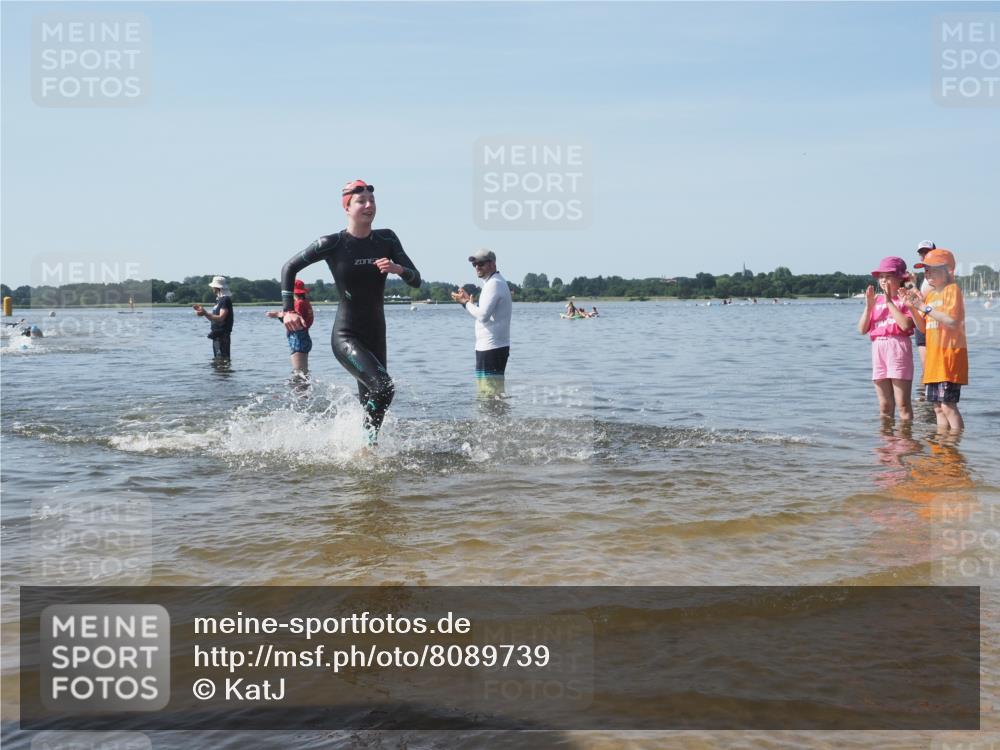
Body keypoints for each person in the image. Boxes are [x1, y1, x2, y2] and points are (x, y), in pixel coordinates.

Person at [279, 180, 421, 443]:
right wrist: (288, 310)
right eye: (361, 201)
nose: (369, 206)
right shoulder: (331, 244)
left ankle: (366, 449)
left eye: (372, 201)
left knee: (372, 396)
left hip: (376, 333)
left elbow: (417, 280)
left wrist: (399, 269)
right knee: (384, 387)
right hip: (346, 335)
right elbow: (289, 267)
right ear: (347, 207)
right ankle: (365, 447)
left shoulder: (387, 238)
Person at [903, 248, 967, 431]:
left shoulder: (952, 290)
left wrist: (925, 308)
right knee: (938, 408)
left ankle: (954, 447)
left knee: (948, 406)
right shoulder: (931, 295)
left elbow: (953, 321)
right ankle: (941, 446)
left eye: (932, 269)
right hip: (934, 360)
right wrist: (913, 308)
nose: (928, 273)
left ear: (948, 270)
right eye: (926, 270)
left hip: (949, 356)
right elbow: (923, 328)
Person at [857, 257, 914, 421]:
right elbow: (862, 329)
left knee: (903, 404)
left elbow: (905, 325)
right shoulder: (876, 301)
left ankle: (905, 442)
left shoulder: (906, 298)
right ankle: (887, 441)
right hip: (878, 348)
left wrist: (889, 301)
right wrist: (869, 307)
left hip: (898, 347)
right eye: (881, 276)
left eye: (888, 276)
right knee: (885, 405)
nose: (883, 280)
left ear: (900, 278)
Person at [450, 249, 512, 396]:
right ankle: (495, 419)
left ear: (492, 264)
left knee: (489, 394)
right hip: (491, 347)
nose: (477, 267)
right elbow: (486, 314)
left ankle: (494, 419)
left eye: (481, 263)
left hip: (492, 347)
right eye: (474, 264)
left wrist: (465, 303)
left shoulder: (494, 283)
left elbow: (483, 316)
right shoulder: (493, 282)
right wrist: (470, 304)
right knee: (489, 393)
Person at [266, 279, 313, 378]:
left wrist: (278, 314)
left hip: (297, 339)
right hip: (305, 337)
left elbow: (294, 321)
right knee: (303, 373)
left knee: (299, 374)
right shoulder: (306, 303)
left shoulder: (298, 304)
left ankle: (301, 392)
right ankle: (306, 392)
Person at [193, 276, 233, 360]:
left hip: (222, 336)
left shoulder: (225, 299)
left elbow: (221, 318)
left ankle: (224, 373)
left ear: (217, 288)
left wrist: (205, 313)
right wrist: (204, 313)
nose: (212, 289)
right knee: (219, 361)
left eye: (213, 287)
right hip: (217, 335)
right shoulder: (220, 300)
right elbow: (214, 318)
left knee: (222, 361)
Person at [913, 241, 936, 384]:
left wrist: (912, 286)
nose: (924, 255)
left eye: (927, 252)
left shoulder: (937, 275)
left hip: (931, 322)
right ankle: (925, 401)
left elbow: (922, 300)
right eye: (922, 253)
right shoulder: (927, 275)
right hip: (922, 322)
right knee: (926, 369)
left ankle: (927, 401)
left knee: (930, 370)